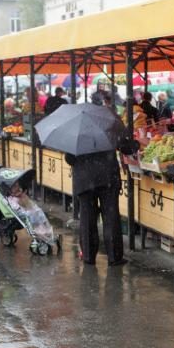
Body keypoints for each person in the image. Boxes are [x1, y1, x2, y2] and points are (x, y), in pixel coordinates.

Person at [64, 106, 139, 266]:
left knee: (87, 218)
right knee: (111, 216)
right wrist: (136, 144)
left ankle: (89, 257)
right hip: (107, 178)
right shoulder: (108, 128)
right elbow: (126, 148)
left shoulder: (75, 134)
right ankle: (114, 257)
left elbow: (69, 159)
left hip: (84, 181)